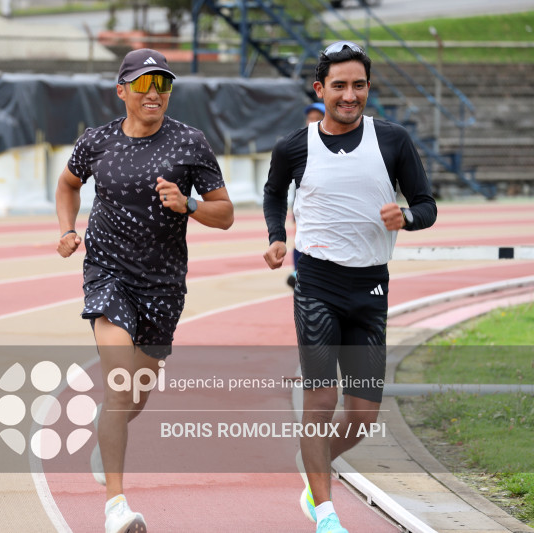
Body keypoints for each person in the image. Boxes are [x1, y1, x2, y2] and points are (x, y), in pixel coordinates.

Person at [55, 48, 234, 533]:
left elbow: (226, 213)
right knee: (118, 389)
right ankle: (116, 506)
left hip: (163, 286)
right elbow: (67, 184)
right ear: (122, 91)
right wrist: (68, 228)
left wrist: (188, 204)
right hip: (108, 275)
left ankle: (106, 436)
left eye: (162, 84)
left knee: (134, 398)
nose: (153, 93)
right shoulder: (97, 142)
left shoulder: (190, 143)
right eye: (142, 84)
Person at [263, 41, 436, 533]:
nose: (350, 94)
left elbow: (426, 205)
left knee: (361, 416)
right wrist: (277, 238)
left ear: (367, 89)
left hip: (370, 289)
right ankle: (326, 513)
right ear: (321, 90)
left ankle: (313, 467)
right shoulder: (295, 146)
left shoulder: (393, 141)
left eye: (358, 85)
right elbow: (274, 192)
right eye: (339, 85)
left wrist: (404, 215)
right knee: (320, 403)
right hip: (317, 283)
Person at [285, 102, 326, 289]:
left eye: (317, 117)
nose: (312, 120)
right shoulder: (300, 141)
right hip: (302, 197)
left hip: (325, 199)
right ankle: (298, 271)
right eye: (310, 117)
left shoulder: (334, 142)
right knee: (300, 237)